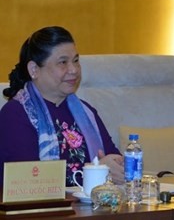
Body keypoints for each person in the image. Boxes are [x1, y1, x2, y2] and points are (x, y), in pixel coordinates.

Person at [0, 26, 124, 186]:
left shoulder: (86, 113)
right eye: (63, 62)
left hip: (91, 208)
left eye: (76, 61)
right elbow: (29, 182)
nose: (73, 70)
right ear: (34, 69)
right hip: (43, 210)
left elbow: (113, 158)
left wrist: (118, 167)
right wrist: (97, 172)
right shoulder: (16, 114)